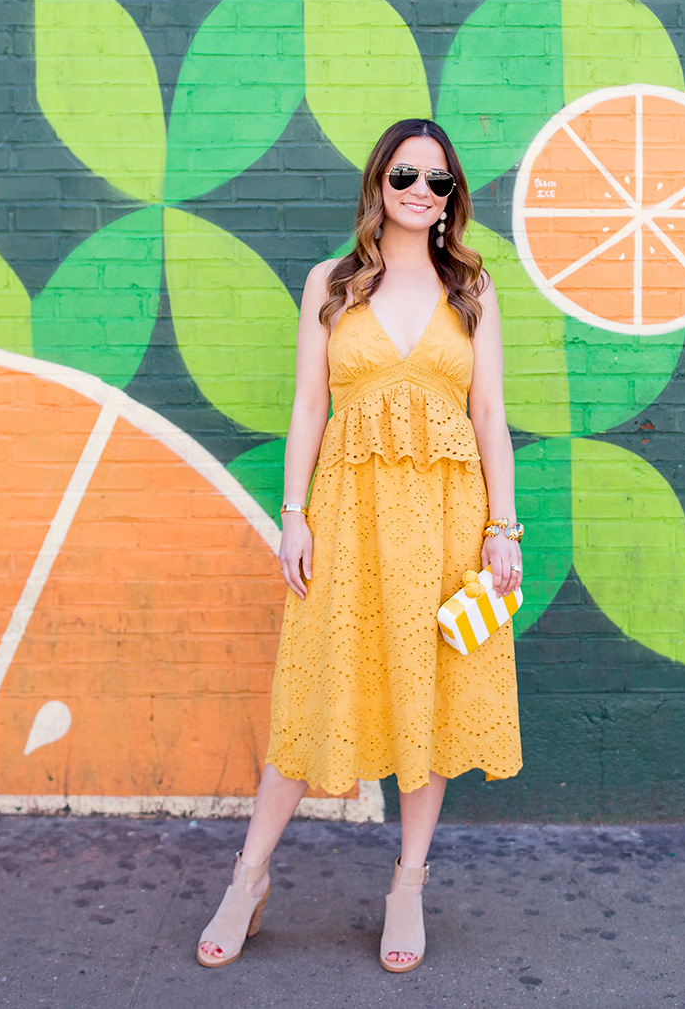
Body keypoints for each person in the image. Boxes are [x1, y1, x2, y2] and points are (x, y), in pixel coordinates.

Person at [197, 118, 523, 974]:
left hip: (451, 518)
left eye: (439, 182)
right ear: (380, 179)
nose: (422, 191)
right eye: (407, 174)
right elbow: (311, 408)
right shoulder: (330, 283)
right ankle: (248, 877)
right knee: (314, 689)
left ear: (454, 199)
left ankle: (407, 885)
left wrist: (503, 529)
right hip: (349, 514)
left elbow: (489, 416)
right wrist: (293, 513)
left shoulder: (475, 289)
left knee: (430, 693)